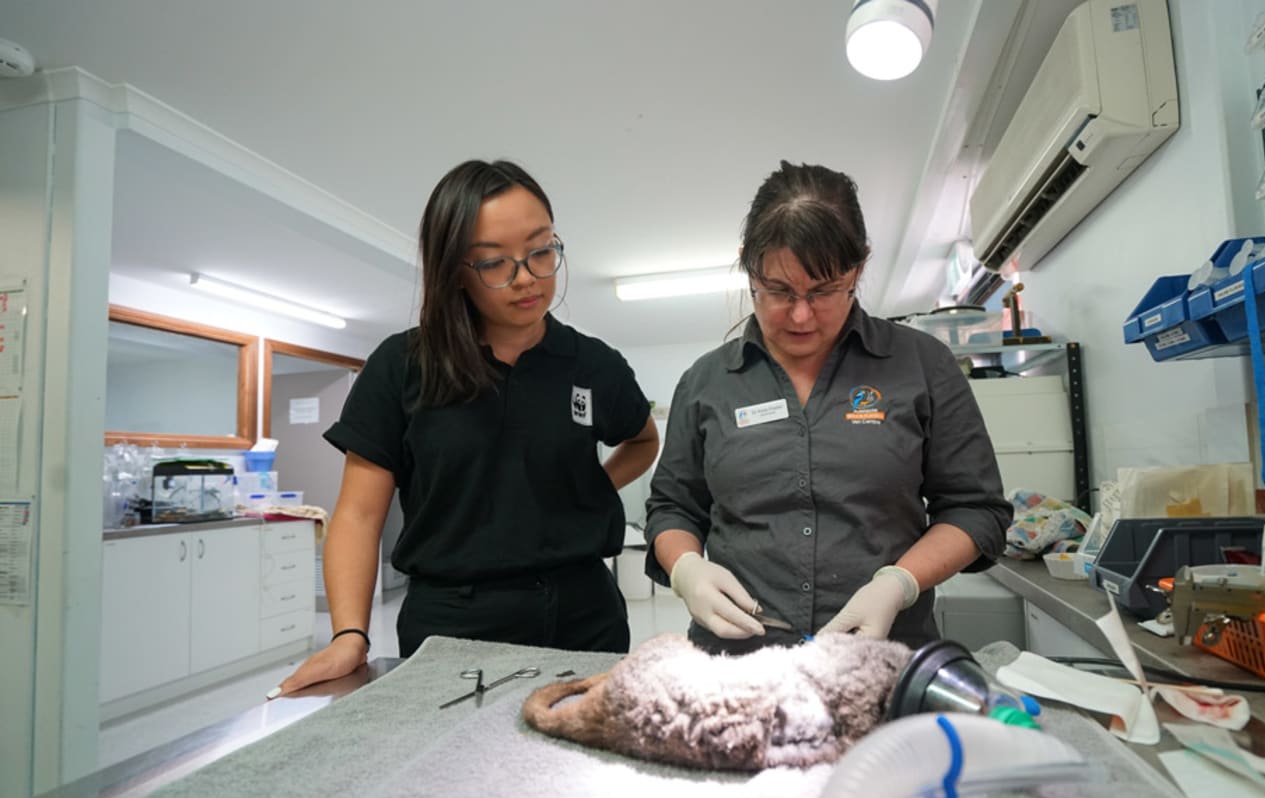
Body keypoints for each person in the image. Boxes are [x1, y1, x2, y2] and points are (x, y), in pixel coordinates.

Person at [273, 160, 659, 696]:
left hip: (584, 614)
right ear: (456, 269)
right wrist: (349, 635)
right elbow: (359, 515)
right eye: (494, 263)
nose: (526, 277)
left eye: (542, 250)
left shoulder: (592, 364)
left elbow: (643, 439)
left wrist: (594, 487)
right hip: (455, 621)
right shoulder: (404, 366)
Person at [644, 161, 1012, 655]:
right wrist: (687, 569)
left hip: (883, 656)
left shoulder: (921, 365)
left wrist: (899, 582)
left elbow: (976, 509)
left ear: (858, 268)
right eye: (778, 291)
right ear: (748, 267)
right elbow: (672, 508)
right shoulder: (706, 383)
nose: (800, 315)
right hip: (737, 664)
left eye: (823, 291)